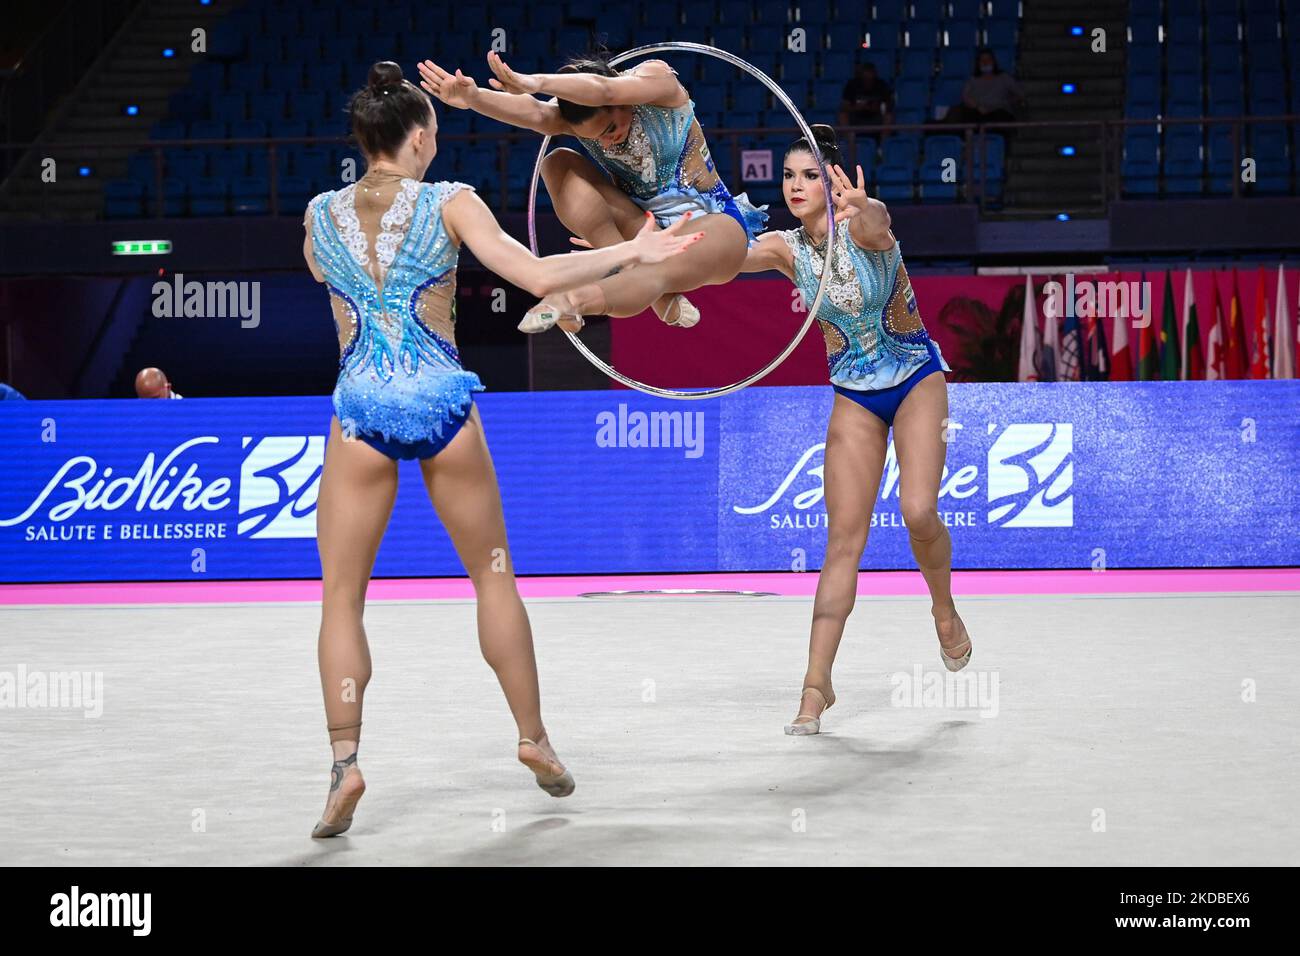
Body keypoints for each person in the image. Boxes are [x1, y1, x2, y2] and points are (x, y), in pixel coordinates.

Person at [301, 61, 701, 837]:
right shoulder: (451, 200)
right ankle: (535, 740)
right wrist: (634, 256)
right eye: (436, 134)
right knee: (492, 579)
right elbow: (536, 272)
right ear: (418, 139)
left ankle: (344, 765)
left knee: (342, 598)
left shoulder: (319, 213)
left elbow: (326, 275)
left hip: (361, 407)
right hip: (441, 401)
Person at [737, 125, 973, 736]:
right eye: (789, 175)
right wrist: (654, 249)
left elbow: (877, 223)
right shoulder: (787, 249)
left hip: (916, 376)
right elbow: (724, 262)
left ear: (834, 180)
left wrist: (864, 208)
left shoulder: (864, 225)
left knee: (919, 511)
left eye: (811, 175)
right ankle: (817, 686)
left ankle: (943, 609)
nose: (797, 186)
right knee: (843, 541)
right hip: (853, 394)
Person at [417, 48, 768, 334]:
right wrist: (475, 97)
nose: (607, 139)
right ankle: (628, 265)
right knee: (557, 162)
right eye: (595, 136)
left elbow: (604, 90)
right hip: (640, 230)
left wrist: (535, 80)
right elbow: (539, 114)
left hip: (714, 223)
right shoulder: (581, 121)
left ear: (620, 100)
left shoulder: (657, 82)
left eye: (611, 126)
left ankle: (571, 300)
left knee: (654, 270)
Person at [943, 48, 1024, 125]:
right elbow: (966, 97)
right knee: (957, 112)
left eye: (988, 60)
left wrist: (1005, 103)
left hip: (998, 112)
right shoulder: (973, 80)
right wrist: (978, 107)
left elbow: (1020, 95)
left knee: (1001, 116)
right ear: (978, 63)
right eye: (982, 60)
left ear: (994, 62)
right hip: (977, 112)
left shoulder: (1004, 78)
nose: (985, 62)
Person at [838, 62, 893, 128]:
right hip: (856, 117)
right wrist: (856, 108)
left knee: (889, 116)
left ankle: (884, 138)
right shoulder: (852, 85)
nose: (868, 80)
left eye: (870, 79)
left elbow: (888, 106)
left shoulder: (881, 85)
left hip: (876, 117)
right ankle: (850, 138)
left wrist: (878, 108)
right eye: (865, 78)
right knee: (842, 115)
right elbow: (845, 106)